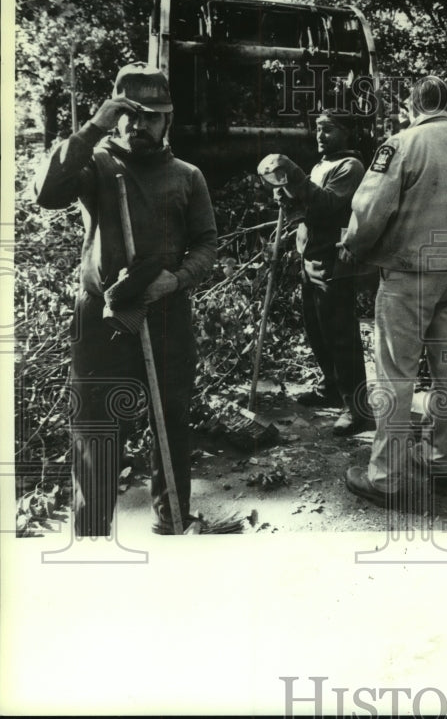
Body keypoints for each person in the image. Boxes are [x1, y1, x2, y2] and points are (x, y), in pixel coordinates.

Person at [34, 62, 217, 535]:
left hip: (166, 313)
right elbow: (47, 193)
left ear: (167, 120)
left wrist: (175, 281)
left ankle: (173, 518)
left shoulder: (187, 175)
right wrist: (93, 127)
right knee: (95, 427)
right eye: (129, 113)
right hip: (102, 317)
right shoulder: (95, 166)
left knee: (171, 418)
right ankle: (92, 531)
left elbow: (207, 244)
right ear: (115, 113)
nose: (140, 124)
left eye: (152, 115)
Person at [339, 76, 447, 508]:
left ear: (413, 104)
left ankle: (385, 475)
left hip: (410, 272)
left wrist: (353, 246)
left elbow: (370, 206)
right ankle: (438, 456)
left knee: (395, 372)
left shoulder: (403, 143)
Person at [257, 109, 375, 436]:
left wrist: (293, 175)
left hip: (333, 260)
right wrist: (285, 192)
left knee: (341, 334)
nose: (320, 136)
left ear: (347, 132)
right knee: (316, 328)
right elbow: (306, 205)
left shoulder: (350, 167)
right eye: (318, 130)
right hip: (309, 256)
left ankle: (358, 407)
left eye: (328, 130)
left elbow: (326, 205)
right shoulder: (321, 165)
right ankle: (332, 386)